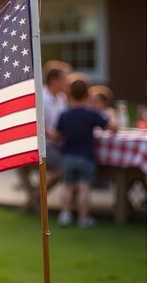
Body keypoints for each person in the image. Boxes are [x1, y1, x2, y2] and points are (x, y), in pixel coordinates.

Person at [53, 79, 117, 228]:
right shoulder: (91, 114)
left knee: (67, 187)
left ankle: (65, 215)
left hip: (68, 156)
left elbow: (57, 136)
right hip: (86, 157)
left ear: (69, 94)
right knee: (84, 188)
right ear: (87, 94)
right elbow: (112, 128)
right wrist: (112, 115)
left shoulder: (64, 114)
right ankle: (84, 218)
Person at [42, 67, 70, 189]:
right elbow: (36, 123)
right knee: (67, 166)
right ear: (54, 81)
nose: (67, 82)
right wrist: (52, 135)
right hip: (45, 146)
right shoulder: (41, 98)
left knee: (78, 159)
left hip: (59, 143)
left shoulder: (62, 98)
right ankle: (38, 197)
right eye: (64, 79)